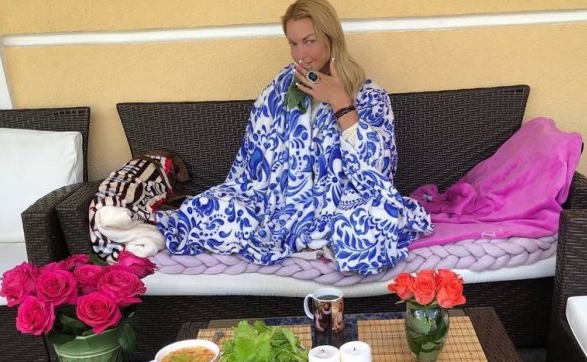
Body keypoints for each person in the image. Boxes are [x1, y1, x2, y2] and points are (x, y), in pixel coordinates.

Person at [155, 0, 432, 274]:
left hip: (342, 201)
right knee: (209, 211)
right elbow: (254, 163)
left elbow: (377, 169)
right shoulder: (280, 90)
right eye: (293, 43)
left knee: (368, 229)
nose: (301, 54)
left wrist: (340, 102)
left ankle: (321, 235)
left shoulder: (369, 95)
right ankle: (299, 232)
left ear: (331, 38)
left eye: (310, 41)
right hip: (276, 201)